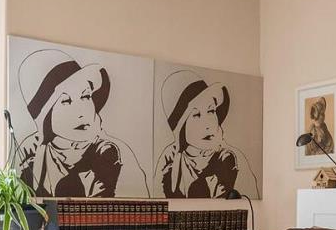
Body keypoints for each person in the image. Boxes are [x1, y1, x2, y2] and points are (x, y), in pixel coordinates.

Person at [13, 48, 147, 197]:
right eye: (66, 101)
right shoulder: (29, 158)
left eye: (86, 96)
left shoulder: (116, 155)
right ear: (46, 117)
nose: (82, 111)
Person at [156, 70, 257, 199]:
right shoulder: (168, 160)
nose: (208, 124)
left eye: (211, 111)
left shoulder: (232, 160)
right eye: (196, 115)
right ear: (181, 127)